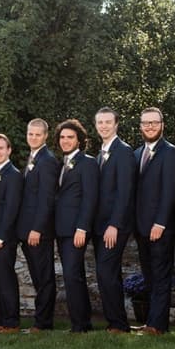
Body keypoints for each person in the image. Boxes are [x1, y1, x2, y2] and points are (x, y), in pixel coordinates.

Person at [132, 107, 175, 336]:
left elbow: (170, 191)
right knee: (149, 277)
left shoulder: (171, 152)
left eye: (154, 123)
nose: (150, 127)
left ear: (162, 124)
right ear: (140, 126)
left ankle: (158, 325)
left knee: (161, 276)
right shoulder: (136, 154)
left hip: (160, 227)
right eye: (145, 123)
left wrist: (160, 223)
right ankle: (152, 321)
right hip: (141, 227)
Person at [92, 107, 135, 334]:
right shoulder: (101, 153)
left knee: (106, 272)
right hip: (100, 225)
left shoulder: (124, 151)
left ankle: (118, 323)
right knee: (108, 273)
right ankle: (115, 322)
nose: (104, 126)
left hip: (113, 226)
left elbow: (125, 192)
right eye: (100, 122)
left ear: (116, 124)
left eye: (108, 122)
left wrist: (114, 225)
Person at [54, 119, 97, 333]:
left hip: (76, 230)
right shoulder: (61, 164)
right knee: (74, 274)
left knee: (72, 274)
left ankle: (80, 324)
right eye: (62, 137)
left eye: (70, 137)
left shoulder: (87, 163)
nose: (65, 141)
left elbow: (90, 198)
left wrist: (82, 227)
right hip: (61, 229)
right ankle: (81, 322)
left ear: (79, 140)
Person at [16, 119, 59, 333]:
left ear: (45, 136)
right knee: (38, 276)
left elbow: (47, 199)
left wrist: (37, 229)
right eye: (30, 134)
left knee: (44, 278)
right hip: (28, 231)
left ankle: (43, 323)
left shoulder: (48, 160)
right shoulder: (33, 158)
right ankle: (41, 321)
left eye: (37, 134)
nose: (33, 137)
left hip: (38, 232)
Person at [0, 134, 23, 334]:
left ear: (9, 150)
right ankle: (1, 320)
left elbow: (11, 208)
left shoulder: (14, 174)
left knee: (6, 278)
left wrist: (1, 235)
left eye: (1, 148)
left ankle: (12, 322)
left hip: (4, 237)